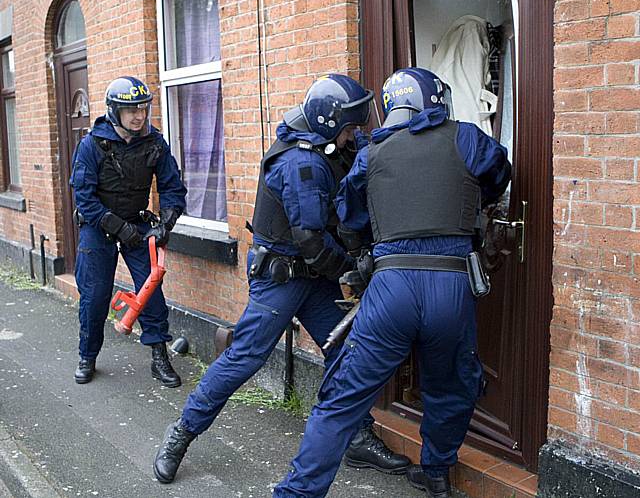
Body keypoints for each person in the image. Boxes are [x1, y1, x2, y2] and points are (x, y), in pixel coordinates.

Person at [153, 74, 410, 484]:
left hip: (316, 279)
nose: (355, 134)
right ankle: (182, 433)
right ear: (329, 124)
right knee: (244, 358)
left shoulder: (332, 143)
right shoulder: (301, 162)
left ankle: (357, 437)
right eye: (349, 127)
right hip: (284, 278)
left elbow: (367, 151)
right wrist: (354, 273)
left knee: (348, 352)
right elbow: (310, 239)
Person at [273, 67, 512, 498]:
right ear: (434, 100)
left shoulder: (371, 152)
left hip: (391, 286)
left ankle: (297, 493)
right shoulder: (466, 136)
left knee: (342, 399)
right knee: (449, 385)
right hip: (451, 285)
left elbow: (350, 214)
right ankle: (436, 473)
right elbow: (499, 172)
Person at [70, 76, 187, 387]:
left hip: (137, 225)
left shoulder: (154, 143)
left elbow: (173, 188)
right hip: (99, 227)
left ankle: (159, 356)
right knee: (94, 297)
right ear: (114, 111)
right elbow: (84, 197)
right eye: (130, 110)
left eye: (142, 108)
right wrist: (118, 228)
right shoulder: (91, 145)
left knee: (151, 292)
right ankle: (88, 355)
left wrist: (166, 223)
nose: (139, 115)